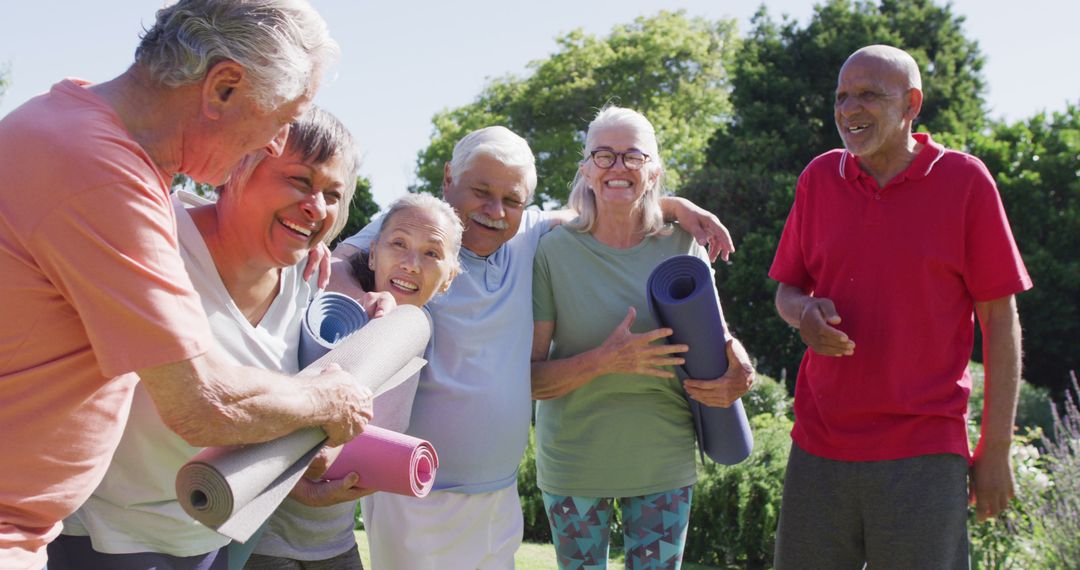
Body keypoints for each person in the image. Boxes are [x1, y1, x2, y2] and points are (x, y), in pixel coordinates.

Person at [0, 3, 371, 568]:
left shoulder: (65, 128)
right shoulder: (102, 173)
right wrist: (324, 399)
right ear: (222, 88)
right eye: (279, 121)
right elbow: (201, 402)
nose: (273, 145)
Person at [332, 125, 743, 569]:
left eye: (512, 200)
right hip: (413, 487)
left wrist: (674, 205)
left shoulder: (528, 235)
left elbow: (605, 211)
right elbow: (338, 262)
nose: (494, 211)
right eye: (481, 192)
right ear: (448, 178)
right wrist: (364, 301)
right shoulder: (419, 229)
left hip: (498, 491)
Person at [48, 106, 365, 569]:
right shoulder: (155, 242)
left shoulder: (306, 279)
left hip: (215, 541)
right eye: (300, 181)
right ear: (241, 166)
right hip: (104, 539)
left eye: (332, 194)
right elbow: (202, 405)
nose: (317, 206)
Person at [768, 45, 1032, 568]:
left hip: (923, 451)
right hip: (819, 446)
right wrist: (805, 316)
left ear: (912, 103)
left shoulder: (965, 182)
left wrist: (995, 449)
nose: (848, 109)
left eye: (868, 95)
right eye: (842, 97)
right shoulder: (819, 178)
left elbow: (999, 322)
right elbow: (786, 291)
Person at [529, 106, 754, 569]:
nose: (618, 168)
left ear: (653, 170)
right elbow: (530, 379)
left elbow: (721, 336)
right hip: (574, 463)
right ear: (586, 169)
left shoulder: (682, 245)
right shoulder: (552, 250)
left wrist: (742, 367)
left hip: (663, 459)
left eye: (633, 157)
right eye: (604, 156)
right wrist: (606, 361)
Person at [247, 192, 464, 570]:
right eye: (399, 244)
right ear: (374, 253)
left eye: (432, 253)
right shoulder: (335, 296)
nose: (412, 264)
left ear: (449, 279)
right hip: (265, 543)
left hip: (335, 544)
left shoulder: (419, 332)